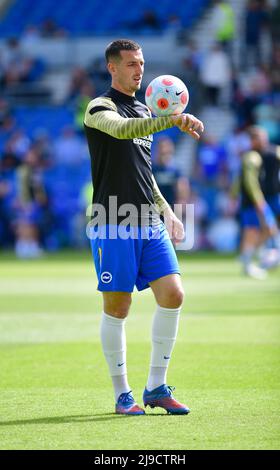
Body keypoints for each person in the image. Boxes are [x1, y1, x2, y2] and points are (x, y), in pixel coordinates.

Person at [83, 39, 204, 415]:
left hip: (148, 221)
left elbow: (144, 172)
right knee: (118, 307)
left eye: (142, 62)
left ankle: (156, 386)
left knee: (173, 294)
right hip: (113, 220)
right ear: (112, 67)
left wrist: (167, 210)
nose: (139, 69)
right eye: (132, 63)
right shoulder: (99, 107)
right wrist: (171, 120)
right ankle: (123, 394)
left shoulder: (143, 109)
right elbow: (119, 131)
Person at [239, 126, 279, 279]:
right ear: (253, 141)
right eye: (259, 138)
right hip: (251, 202)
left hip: (258, 200)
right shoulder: (252, 157)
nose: (263, 141)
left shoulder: (269, 153)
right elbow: (249, 182)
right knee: (252, 232)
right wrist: (258, 200)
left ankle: (258, 257)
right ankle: (248, 264)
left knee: (268, 229)